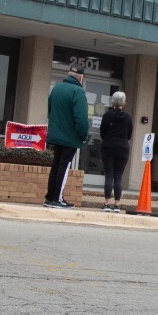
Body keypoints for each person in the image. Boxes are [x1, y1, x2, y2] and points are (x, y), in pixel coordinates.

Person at [44, 63, 89, 209]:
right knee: (64, 166)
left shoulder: (56, 88)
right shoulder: (78, 92)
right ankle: (57, 198)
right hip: (70, 137)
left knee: (56, 165)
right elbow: (81, 118)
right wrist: (83, 135)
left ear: (69, 74)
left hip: (56, 134)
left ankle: (50, 197)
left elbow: (50, 110)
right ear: (81, 77)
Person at [99, 91, 133, 212]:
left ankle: (107, 204)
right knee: (118, 176)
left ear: (112, 101)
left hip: (108, 146)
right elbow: (129, 135)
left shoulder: (107, 115)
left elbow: (102, 132)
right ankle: (117, 205)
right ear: (123, 103)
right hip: (123, 148)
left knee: (109, 175)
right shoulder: (128, 117)